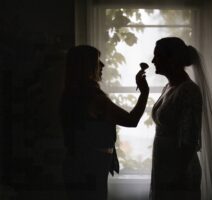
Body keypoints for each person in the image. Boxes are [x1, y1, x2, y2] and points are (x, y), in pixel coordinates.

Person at [60, 45, 149, 200]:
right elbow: (131, 120)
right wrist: (144, 93)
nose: (102, 65)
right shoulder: (93, 98)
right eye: (97, 61)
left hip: (79, 165)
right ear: (86, 67)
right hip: (90, 168)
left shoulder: (70, 93)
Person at [149, 37, 203, 200]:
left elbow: (190, 139)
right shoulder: (168, 87)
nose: (152, 61)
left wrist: (175, 176)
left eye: (157, 56)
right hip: (163, 165)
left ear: (171, 59)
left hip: (179, 171)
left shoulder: (189, 91)